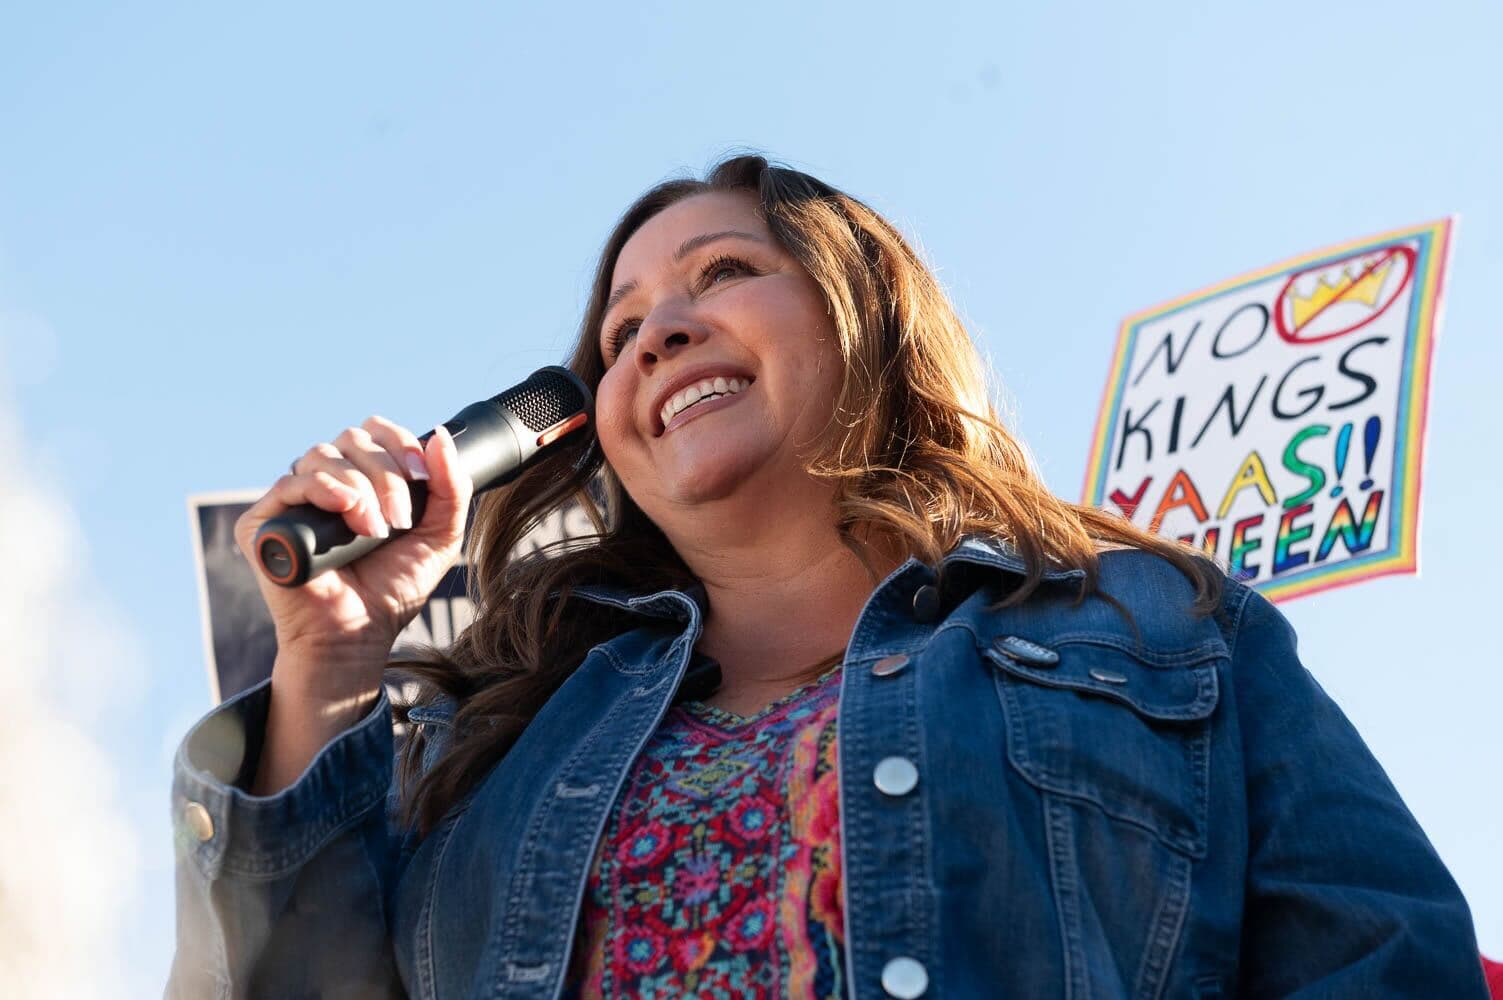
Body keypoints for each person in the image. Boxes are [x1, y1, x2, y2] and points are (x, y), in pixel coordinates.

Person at [168, 154, 1489, 998]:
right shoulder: (483, 751)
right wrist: (330, 659)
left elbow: (1389, 969)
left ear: (869, 314)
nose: (659, 331)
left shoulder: (1168, 632)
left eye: (724, 272)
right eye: (620, 334)